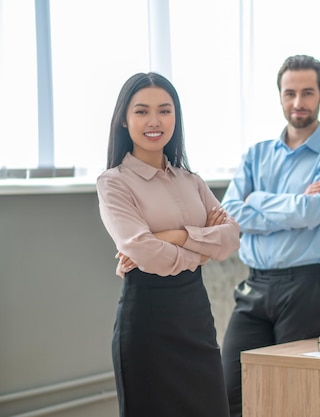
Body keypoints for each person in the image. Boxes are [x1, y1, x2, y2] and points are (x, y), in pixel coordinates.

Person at [220, 54, 320, 417]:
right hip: (255, 286)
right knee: (230, 393)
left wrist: (259, 201)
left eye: (307, 93)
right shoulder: (257, 154)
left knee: (293, 399)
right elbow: (228, 214)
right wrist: (294, 204)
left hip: (306, 288)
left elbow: (315, 212)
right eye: (290, 93)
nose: (298, 103)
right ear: (280, 96)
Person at [96, 72, 240, 417]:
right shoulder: (113, 183)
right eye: (142, 111)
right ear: (124, 119)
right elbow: (143, 252)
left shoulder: (191, 180)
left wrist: (171, 237)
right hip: (147, 320)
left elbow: (231, 237)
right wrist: (203, 241)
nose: (155, 121)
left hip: (195, 316)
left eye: (165, 110)